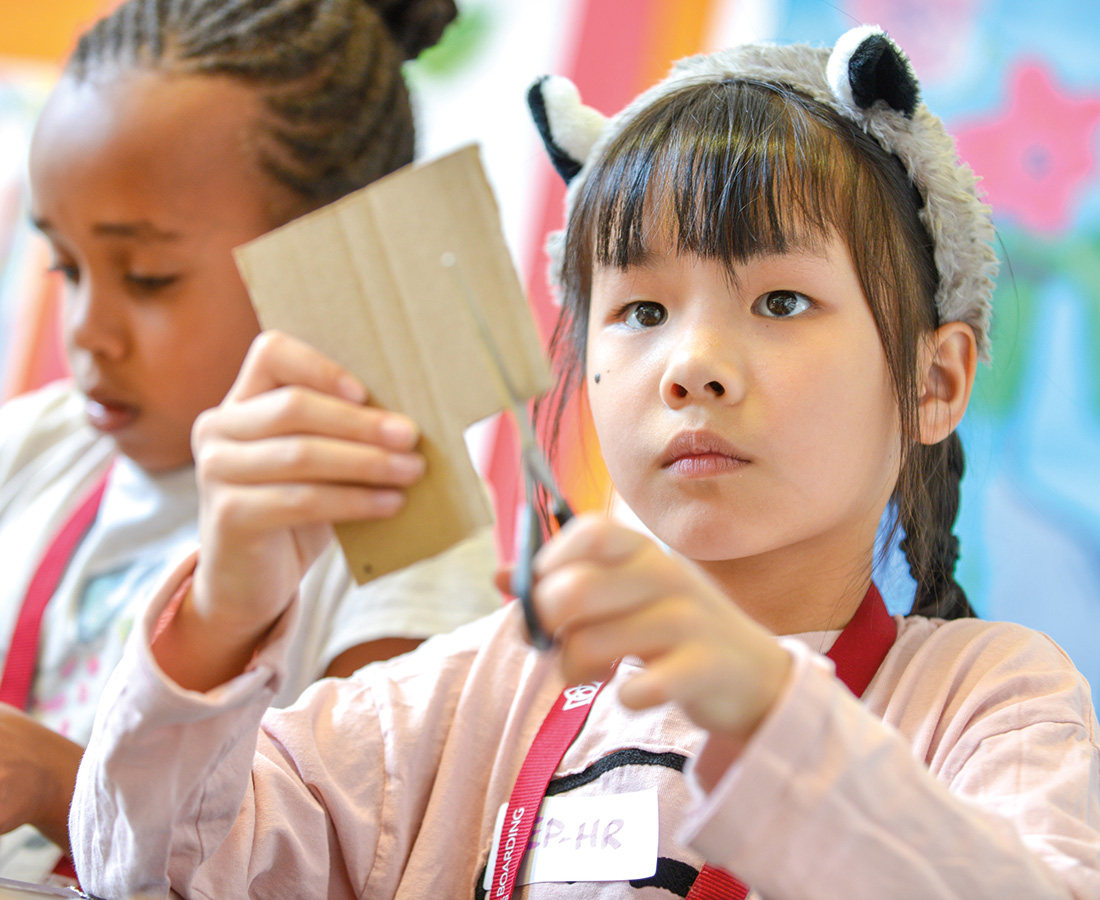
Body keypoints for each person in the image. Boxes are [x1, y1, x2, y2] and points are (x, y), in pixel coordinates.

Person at [71, 25, 1100, 899]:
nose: (690, 366)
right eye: (641, 311)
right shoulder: (472, 691)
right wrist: (217, 613)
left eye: (780, 302)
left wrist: (765, 704)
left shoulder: (987, 697)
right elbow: (155, 869)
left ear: (934, 380)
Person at [0, 0, 502, 883]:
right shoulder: (32, 449)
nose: (87, 333)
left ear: (327, 259)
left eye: (149, 277)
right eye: (64, 268)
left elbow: (367, 867)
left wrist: (54, 783)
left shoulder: (396, 527)